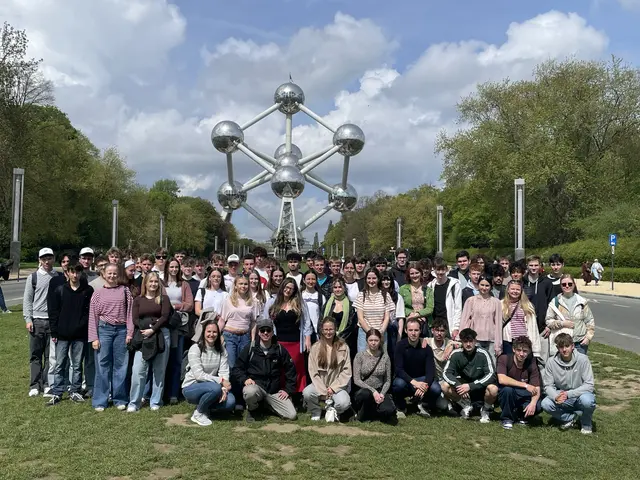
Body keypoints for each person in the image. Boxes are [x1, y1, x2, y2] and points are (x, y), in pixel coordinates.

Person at [232, 317, 298, 422]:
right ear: (258, 332)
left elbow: (291, 370)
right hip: (256, 388)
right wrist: (245, 379)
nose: (265, 333)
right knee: (249, 391)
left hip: (274, 392)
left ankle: (266, 405)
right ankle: (253, 409)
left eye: (268, 330)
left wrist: (288, 390)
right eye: (262, 330)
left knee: (292, 415)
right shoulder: (250, 348)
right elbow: (237, 368)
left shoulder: (279, 349)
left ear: (272, 332)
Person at [46, 263, 94, 405]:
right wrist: (54, 331)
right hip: (62, 334)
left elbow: (88, 312)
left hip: (80, 334)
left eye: (78, 272)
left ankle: (75, 391)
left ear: (81, 273)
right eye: (72, 272)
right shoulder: (60, 290)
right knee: (59, 364)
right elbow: (53, 313)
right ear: (67, 273)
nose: (75, 275)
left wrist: (82, 326)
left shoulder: (87, 290)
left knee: (77, 365)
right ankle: (57, 392)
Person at [88, 264, 134, 411]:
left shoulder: (125, 291)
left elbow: (130, 313)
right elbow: (93, 316)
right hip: (104, 330)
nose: (112, 276)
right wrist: (94, 338)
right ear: (104, 274)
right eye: (109, 273)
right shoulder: (98, 293)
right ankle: (100, 400)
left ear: (118, 274)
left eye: (115, 273)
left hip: (121, 331)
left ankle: (119, 399)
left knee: (121, 365)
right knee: (102, 365)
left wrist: (129, 333)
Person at [127, 272, 171, 412]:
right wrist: (146, 328)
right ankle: (134, 402)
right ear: (145, 283)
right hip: (143, 336)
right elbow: (135, 319)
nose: (153, 284)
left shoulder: (164, 299)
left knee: (159, 370)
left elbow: (164, 316)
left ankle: (156, 401)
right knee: (138, 371)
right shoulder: (138, 300)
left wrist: (153, 329)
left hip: (161, 335)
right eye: (150, 281)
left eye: (156, 281)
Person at [24, 247, 63, 397]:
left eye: (49, 258)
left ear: (53, 259)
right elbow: (28, 300)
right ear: (40, 260)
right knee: (35, 355)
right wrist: (28, 319)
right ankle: (35, 384)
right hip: (37, 321)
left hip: (53, 322)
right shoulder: (33, 277)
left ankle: (47, 383)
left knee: (50, 356)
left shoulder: (59, 276)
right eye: (44, 259)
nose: (47, 261)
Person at [263, 278, 312, 396]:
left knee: (295, 367)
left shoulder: (300, 303)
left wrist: (307, 339)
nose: (288, 290)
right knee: (280, 368)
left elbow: (306, 322)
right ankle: (280, 393)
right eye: (286, 287)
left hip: (295, 342)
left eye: (291, 288)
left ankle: (296, 394)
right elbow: (266, 321)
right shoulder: (273, 302)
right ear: (282, 287)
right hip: (278, 342)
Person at [182, 318, 235, 426]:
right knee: (215, 389)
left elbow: (224, 371)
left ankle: (206, 408)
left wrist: (224, 389)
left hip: (212, 386)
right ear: (204, 333)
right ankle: (198, 413)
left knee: (230, 401)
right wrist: (221, 381)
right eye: (209, 331)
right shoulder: (195, 348)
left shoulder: (222, 350)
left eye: (214, 332)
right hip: (191, 387)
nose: (211, 334)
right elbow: (199, 375)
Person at [541, 333, 596, 434]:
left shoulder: (583, 359)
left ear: (573, 346)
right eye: (561, 347)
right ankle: (570, 418)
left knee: (587, 401)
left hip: (580, 395)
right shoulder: (551, 362)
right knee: (545, 403)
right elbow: (548, 385)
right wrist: (556, 396)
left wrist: (569, 394)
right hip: (562, 396)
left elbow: (589, 385)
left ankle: (586, 424)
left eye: (567, 346)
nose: (564, 349)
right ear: (557, 348)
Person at [442, 328, 498, 422]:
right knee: (444, 386)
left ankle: (485, 410)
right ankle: (465, 406)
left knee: (493, 389)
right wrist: (459, 386)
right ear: (461, 342)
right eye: (465, 341)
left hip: (480, 387)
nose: (468, 344)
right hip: (463, 389)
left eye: (471, 341)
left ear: (475, 341)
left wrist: (470, 386)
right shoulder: (456, 354)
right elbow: (446, 373)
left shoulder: (483, 353)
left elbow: (491, 374)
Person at [303, 317, 352, 421]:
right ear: (322, 330)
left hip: (337, 386)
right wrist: (323, 390)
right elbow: (313, 371)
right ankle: (316, 410)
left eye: (331, 329)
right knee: (307, 392)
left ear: (335, 329)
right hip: (319, 384)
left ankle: (333, 409)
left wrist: (333, 388)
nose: (328, 332)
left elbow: (346, 371)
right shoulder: (315, 347)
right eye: (326, 329)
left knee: (344, 403)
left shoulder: (344, 347)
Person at [392, 318, 438, 418]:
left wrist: (424, 386)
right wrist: (415, 383)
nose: (413, 333)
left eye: (416, 330)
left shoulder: (426, 348)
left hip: (421, 379)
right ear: (405, 331)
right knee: (398, 384)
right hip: (406, 380)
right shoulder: (400, 346)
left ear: (420, 331)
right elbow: (398, 369)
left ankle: (423, 404)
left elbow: (430, 371)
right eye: (410, 330)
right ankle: (401, 407)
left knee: (436, 388)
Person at [496, 336, 542, 429]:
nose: (521, 354)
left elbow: (536, 387)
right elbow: (502, 379)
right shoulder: (504, 359)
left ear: (529, 352)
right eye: (519, 350)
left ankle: (521, 416)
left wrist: (533, 404)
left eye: (525, 351)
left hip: (524, 394)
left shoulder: (532, 362)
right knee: (507, 390)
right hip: (508, 393)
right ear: (513, 349)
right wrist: (525, 385)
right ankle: (507, 419)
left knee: (539, 405)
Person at [352, 329, 396, 423]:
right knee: (366, 394)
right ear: (367, 341)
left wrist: (382, 394)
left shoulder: (385, 357)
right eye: (371, 340)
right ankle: (363, 413)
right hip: (364, 390)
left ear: (380, 341)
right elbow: (356, 379)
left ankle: (373, 410)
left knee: (389, 410)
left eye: (376, 340)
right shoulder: (359, 356)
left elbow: (387, 380)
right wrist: (373, 391)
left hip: (380, 390)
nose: (373, 343)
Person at [545, 274, 595, 356]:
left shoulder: (581, 302)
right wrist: (562, 323)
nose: (567, 286)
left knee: (580, 364)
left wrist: (588, 338)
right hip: (562, 344)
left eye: (570, 284)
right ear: (561, 286)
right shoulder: (555, 302)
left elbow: (589, 321)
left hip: (579, 343)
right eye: (564, 284)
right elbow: (548, 320)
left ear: (574, 285)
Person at [459, 276, 502, 363]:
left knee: (491, 364)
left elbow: (498, 324)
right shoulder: (471, 300)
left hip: (491, 340)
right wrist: (462, 338)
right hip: (475, 339)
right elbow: (464, 320)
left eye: (487, 285)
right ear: (478, 285)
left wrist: (498, 345)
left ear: (491, 286)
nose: (484, 288)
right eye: (482, 285)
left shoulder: (496, 302)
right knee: (475, 364)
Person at [218, 275, 257, 369]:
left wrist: (253, 340)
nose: (243, 286)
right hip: (230, 336)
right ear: (235, 286)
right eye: (240, 284)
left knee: (243, 365)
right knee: (231, 364)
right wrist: (218, 335)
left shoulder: (253, 302)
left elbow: (253, 322)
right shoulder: (228, 300)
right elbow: (222, 320)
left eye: (245, 284)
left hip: (245, 336)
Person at [354, 268, 395, 352]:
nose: (371, 281)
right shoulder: (361, 295)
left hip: (381, 332)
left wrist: (381, 332)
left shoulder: (385, 295)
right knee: (363, 357)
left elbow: (387, 317)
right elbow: (360, 318)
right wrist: (371, 334)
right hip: (364, 333)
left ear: (378, 279)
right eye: (369, 278)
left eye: (374, 278)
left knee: (381, 357)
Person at [500, 281, 541, 358]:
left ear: (521, 291)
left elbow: (533, 327)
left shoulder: (528, 305)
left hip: (524, 340)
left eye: (517, 289)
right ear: (508, 290)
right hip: (508, 341)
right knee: (509, 362)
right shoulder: (501, 304)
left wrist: (536, 350)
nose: (515, 291)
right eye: (512, 289)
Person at [428, 258, 462, 339]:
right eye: (438, 270)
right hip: (435, 324)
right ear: (434, 270)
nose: (440, 272)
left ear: (446, 269)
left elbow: (458, 308)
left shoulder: (454, 285)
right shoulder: (430, 285)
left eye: (443, 270)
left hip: (449, 324)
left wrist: (456, 327)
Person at [399, 262, 434, 338]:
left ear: (421, 273)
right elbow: (400, 306)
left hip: (424, 324)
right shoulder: (402, 289)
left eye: (417, 273)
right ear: (409, 275)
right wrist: (410, 314)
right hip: (408, 322)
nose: (414, 275)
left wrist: (417, 314)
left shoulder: (428, 290)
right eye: (412, 273)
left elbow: (430, 308)